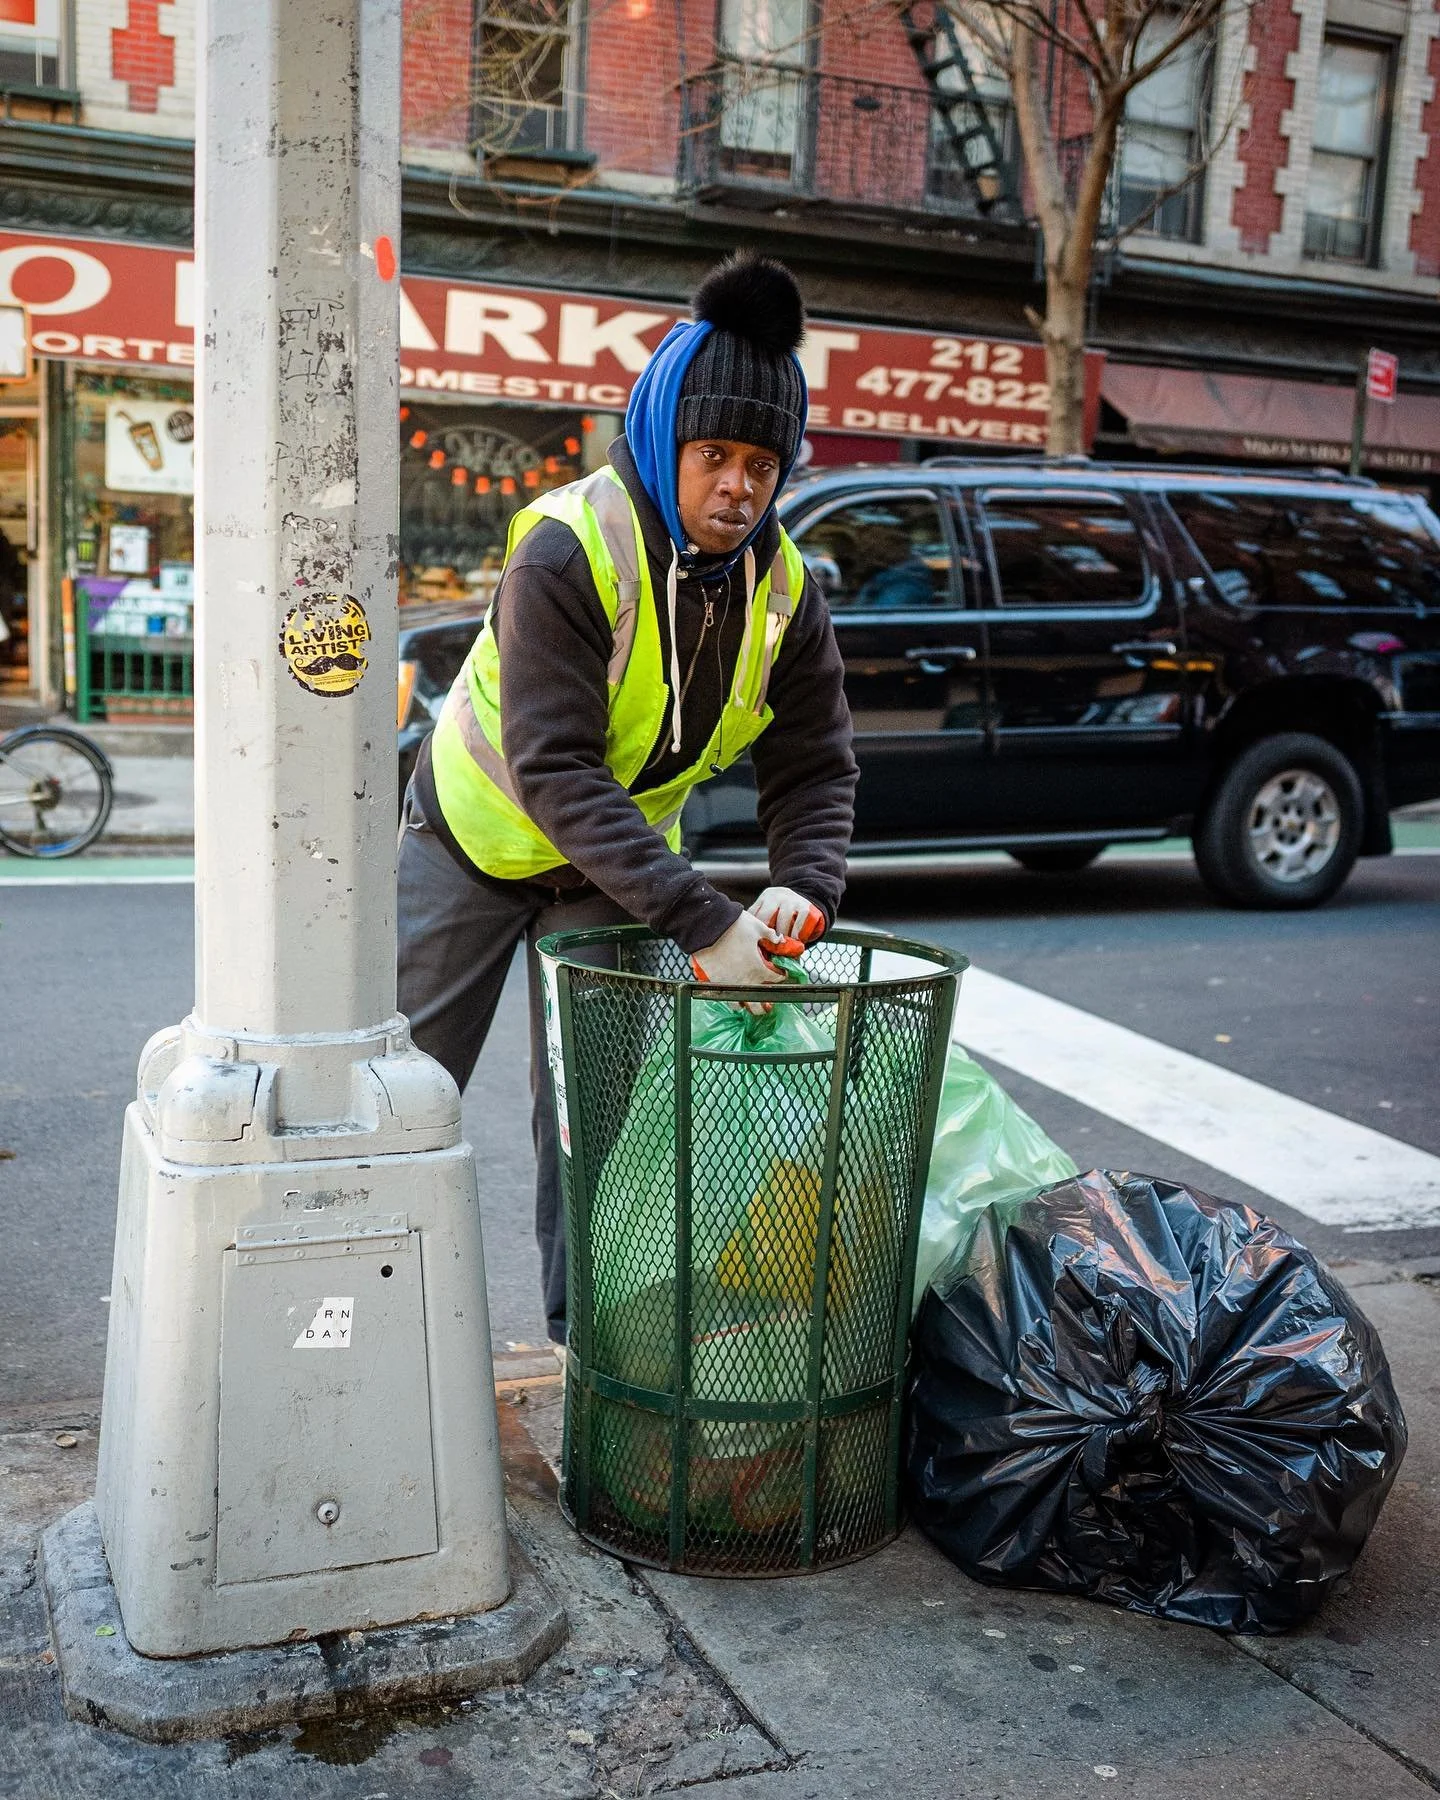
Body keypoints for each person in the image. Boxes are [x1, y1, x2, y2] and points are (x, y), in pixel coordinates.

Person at [397, 251, 858, 1346]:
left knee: (597, 1124)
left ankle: (589, 1357)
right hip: (474, 838)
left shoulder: (786, 589)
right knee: (402, 1099)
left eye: (763, 461)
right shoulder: (567, 550)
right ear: (663, 440)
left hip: (608, 873)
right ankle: (364, 1327)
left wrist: (804, 884)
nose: (738, 486)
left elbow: (816, 762)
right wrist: (705, 920)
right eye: (714, 455)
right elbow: (554, 768)